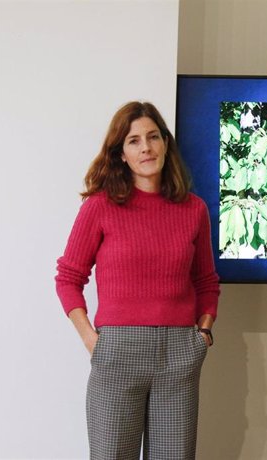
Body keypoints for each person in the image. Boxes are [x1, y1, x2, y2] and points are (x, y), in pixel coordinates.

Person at [55, 101, 220, 460]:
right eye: (133, 140)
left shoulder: (194, 209)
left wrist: (202, 333)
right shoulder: (99, 207)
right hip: (117, 352)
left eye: (153, 137)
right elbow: (68, 277)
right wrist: (91, 339)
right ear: (121, 154)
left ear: (165, 144)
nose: (146, 147)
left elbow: (206, 281)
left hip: (180, 352)